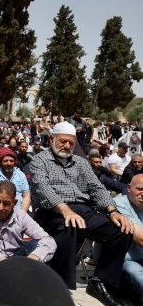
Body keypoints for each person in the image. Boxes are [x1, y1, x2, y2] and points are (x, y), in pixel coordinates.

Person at [30, 121, 134, 305]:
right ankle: (59, 287)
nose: (67, 146)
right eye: (63, 141)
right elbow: (43, 188)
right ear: (52, 138)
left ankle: (101, 282)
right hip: (52, 212)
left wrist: (113, 211)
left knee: (121, 229)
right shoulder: (40, 160)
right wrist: (65, 210)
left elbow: (96, 189)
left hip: (84, 210)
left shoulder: (81, 162)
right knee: (71, 226)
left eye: (71, 142)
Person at [0, 180, 56, 277]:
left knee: (37, 245)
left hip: (16, 260)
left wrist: (33, 258)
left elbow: (48, 241)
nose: (0, 208)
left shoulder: (20, 216)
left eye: (6, 203)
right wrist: (3, 262)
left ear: (14, 202)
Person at [114, 174, 143, 302]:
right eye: (140, 189)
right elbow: (140, 239)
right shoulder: (118, 204)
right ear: (129, 187)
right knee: (134, 270)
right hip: (120, 263)